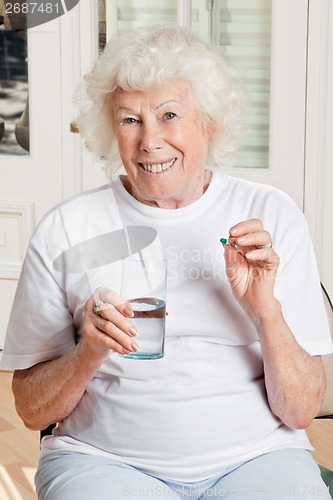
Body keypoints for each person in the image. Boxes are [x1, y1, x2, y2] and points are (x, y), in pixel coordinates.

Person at [1, 25, 332, 500]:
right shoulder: (66, 229)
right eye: (129, 119)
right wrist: (88, 351)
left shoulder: (272, 217)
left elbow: (301, 411)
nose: (150, 141)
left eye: (169, 115)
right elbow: (32, 411)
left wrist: (266, 312)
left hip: (258, 458)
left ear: (209, 122)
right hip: (103, 463)